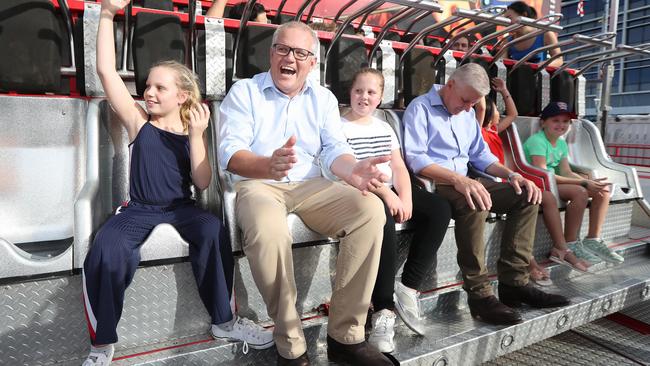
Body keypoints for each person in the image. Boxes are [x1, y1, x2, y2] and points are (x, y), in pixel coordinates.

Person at [82, 1, 273, 365]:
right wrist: (107, 14)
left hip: (182, 209)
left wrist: (198, 136)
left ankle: (224, 320)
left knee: (212, 229)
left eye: (159, 88)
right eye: (148, 85)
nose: (149, 92)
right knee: (107, 247)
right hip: (139, 209)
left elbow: (202, 182)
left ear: (182, 96)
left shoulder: (192, 129)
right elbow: (107, 71)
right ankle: (101, 343)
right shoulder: (140, 122)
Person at [218, 21, 393, 366]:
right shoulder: (245, 92)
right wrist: (267, 165)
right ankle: (291, 343)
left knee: (371, 209)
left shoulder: (324, 98)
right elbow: (230, 153)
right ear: (271, 53)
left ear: (313, 63)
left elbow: (334, 150)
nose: (290, 58)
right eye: (282, 49)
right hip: (260, 183)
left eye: (300, 53)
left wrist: (352, 170)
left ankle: (346, 335)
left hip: (313, 185)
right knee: (267, 230)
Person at [402, 63, 570, 326]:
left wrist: (512, 175)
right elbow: (416, 160)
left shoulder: (467, 114)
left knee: (527, 195)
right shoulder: (421, 108)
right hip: (436, 183)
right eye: (466, 101)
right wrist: (459, 180)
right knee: (475, 201)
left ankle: (514, 283)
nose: (469, 109)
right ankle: (479, 295)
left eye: (474, 103)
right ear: (450, 86)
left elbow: (481, 156)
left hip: (467, 180)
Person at [341, 68, 452, 353]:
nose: (363, 97)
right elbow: (349, 171)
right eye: (358, 91)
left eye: (370, 93)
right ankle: (383, 309)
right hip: (361, 190)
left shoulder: (384, 126)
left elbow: (399, 167)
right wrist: (389, 198)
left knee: (439, 209)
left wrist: (406, 198)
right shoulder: (340, 126)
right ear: (350, 92)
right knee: (384, 220)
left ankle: (408, 286)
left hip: (390, 189)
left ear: (380, 98)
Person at [474, 79, 585, 285]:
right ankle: (529, 261)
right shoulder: (477, 132)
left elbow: (513, 115)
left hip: (506, 179)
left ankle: (562, 247)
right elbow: (481, 107)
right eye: (496, 110)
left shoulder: (494, 131)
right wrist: (481, 88)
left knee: (546, 197)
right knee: (530, 199)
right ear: (488, 114)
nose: (501, 113)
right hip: (490, 181)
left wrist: (505, 91)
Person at [524, 102, 624, 266]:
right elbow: (543, 175)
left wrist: (589, 182)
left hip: (553, 181)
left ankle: (593, 239)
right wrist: (583, 183)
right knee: (580, 192)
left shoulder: (561, 143)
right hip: (540, 183)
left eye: (565, 121)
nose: (561, 125)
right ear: (543, 122)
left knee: (603, 190)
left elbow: (565, 171)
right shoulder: (537, 141)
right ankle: (570, 242)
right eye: (555, 120)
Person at [503, 1, 563, 67]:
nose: (506, 23)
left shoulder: (545, 34)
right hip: (516, 75)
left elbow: (558, 59)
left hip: (539, 75)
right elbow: (502, 62)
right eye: (505, 20)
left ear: (524, 15)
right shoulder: (507, 40)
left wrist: (545, 65)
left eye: (509, 18)